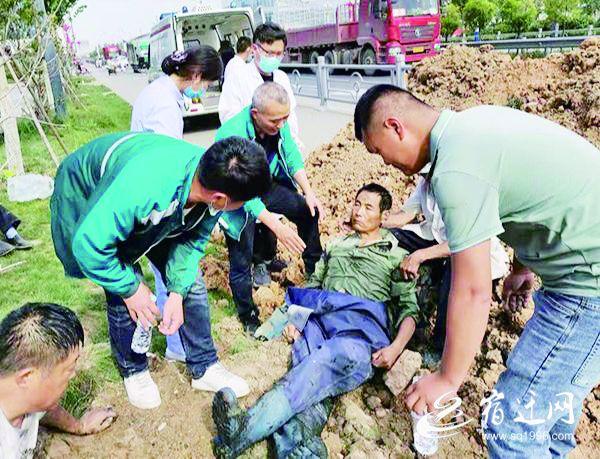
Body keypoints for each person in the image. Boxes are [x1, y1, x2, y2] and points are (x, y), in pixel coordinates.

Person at [353, 84, 600, 457]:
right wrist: (521, 267)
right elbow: (528, 200)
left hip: (588, 286)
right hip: (581, 271)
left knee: (512, 426)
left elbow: (472, 289)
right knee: (548, 418)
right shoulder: (472, 127)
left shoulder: (455, 167)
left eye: (378, 151)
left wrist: (448, 378)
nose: (386, 163)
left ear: (394, 126)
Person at [50, 132, 271, 410]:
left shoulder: (211, 182)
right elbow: (89, 245)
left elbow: (192, 242)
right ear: (220, 199)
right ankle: (135, 370)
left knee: (190, 282)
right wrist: (131, 290)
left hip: (156, 199)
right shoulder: (143, 188)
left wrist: (176, 293)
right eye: (243, 203)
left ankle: (204, 365)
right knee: (124, 279)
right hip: (88, 187)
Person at [211, 183, 419, 459]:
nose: (358, 211)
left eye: (368, 207)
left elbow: (409, 311)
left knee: (321, 364)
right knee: (308, 375)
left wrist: (395, 349)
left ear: (384, 215)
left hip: (358, 334)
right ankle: (295, 448)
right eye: (357, 203)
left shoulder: (397, 256)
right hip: (318, 325)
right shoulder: (335, 246)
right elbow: (313, 286)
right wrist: (295, 320)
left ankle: (242, 432)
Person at [130, 46, 223, 363]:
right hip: (155, 203)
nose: (205, 90)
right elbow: (169, 165)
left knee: (165, 276)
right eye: (207, 83)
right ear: (196, 75)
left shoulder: (156, 91)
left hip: (146, 196)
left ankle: (175, 346)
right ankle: (178, 347)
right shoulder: (166, 106)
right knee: (177, 278)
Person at [215, 82, 323, 333]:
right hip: (236, 196)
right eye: (276, 120)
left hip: (267, 184)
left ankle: (315, 272)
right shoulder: (230, 135)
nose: (281, 125)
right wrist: (277, 226)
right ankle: (248, 316)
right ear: (256, 115)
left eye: (285, 118)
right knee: (241, 258)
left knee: (308, 211)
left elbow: (292, 153)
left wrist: (309, 192)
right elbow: (241, 192)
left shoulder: (278, 126)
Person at [384, 163, 509, 356]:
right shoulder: (425, 183)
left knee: (455, 282)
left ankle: (440, 346)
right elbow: (405, 215)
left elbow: (462, 241)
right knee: (391, 237)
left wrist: (420, 255)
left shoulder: (458, 188)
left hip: (472, 252)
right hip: (439, 240)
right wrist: (372, 222)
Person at [0, 303, 116, 459]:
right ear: (27, 378)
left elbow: (45, 409)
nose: (74, 375)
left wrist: (79, 426)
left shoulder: (23, 397)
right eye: (68, 369)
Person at [218, 22, 300, 146]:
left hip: (280, 145)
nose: (274, 58)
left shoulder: (282, 77)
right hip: (249, 148)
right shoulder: (238, 77)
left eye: (279, 54)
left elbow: (291, 115)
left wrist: (292, 142)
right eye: (269, 53)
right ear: (255, 49)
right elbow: (228, 116)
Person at [131, 46, 222, 139]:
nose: (205, 89)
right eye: (208, 85)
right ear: (196, 76)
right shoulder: (166, 104)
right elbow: (168, 150)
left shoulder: (159, 88)